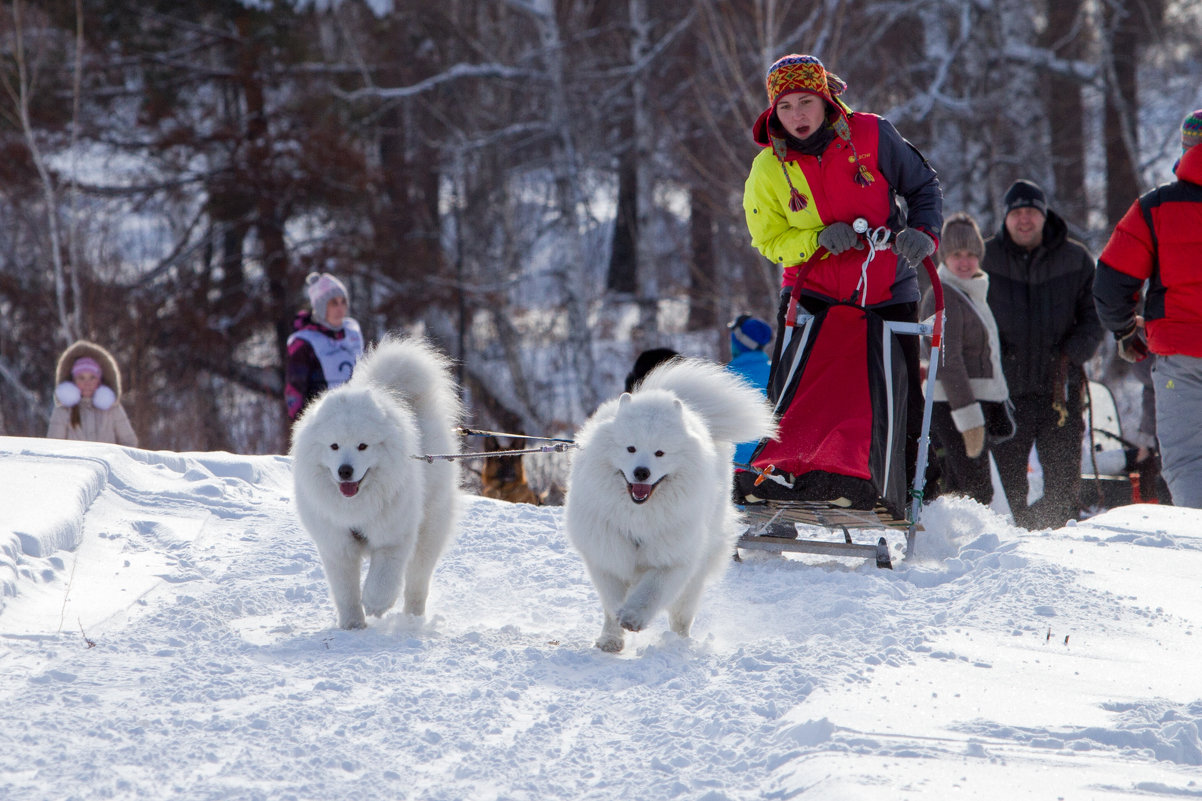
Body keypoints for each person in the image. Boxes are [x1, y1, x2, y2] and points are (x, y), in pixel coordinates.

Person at [741, 53, 942, 499]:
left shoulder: (872, 133)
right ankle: (783, 481)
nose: (798, 116)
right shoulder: (768, 169)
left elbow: (922, 186)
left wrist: (924, 233)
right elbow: (769, 239)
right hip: (812, 293)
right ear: (774, 111)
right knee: (797, 396)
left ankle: (912, 491)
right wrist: (814, 239)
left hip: (887, 287)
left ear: (825, 99)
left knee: (899, 393)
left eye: (806, 102)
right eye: (787, 106)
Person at [1094, 108, 1202, 508]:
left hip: (1179, 357)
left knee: (1189, 463)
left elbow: (1109, 283)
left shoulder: (1154, 208)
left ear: (1185, 150)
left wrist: (1124, 331)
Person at [983, 179, 1103, 529]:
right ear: (1005, 217)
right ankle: (1013, 542)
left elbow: (1095, 316)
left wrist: (1074, 352)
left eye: (1031, 212)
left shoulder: (1076, 258)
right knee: (1006, 486)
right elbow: (972, 317)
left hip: (1059, 390)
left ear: (1044, 215)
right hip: (1005, 389)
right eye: (1017, 212)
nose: (1024, 219)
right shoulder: (986, 257)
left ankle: (1054, 534)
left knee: (1064, 484)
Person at [920, 213, 1012, 505]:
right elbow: (947, 361)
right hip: (953, 406)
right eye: (956, 254)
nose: (964, 261)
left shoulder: (970, 291)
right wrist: (969, 419)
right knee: (972, 491)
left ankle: (966, 545)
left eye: (971, 254)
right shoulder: (943, 293)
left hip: (968, 402)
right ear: (944, 255)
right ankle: (963, 547)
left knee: (969, 488)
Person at [285, 272, 364, 421]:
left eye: (343, 302)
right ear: (321, 307)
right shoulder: (304, 342)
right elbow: (294, 389)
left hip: (355, 416)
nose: (340, 308)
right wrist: (300, 424)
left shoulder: (353, 332)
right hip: (323, 421)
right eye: (334, 303)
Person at [47, 340, 139, 446]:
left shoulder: (113, 409)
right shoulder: (62, 411)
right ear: (73, 381)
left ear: (99, 380)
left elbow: (129, 442)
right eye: (81, 378)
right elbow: (53, 447)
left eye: (92, 377)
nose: (87, 383)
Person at [726, 314, 773, 467]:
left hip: (732, 469)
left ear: (738, 341)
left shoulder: (721, 379)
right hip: (770, 468)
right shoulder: (780, 374)